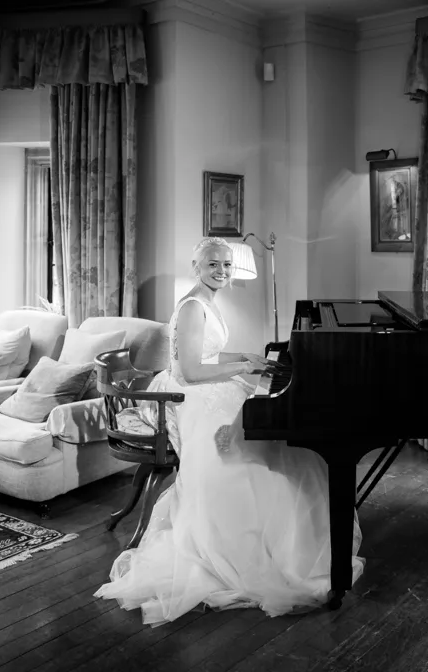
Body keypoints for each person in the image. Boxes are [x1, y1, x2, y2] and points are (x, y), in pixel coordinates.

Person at [94, 236, 365, 625]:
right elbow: (189, 371)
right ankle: (254, 551)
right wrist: (242, 370)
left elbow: (205, 354)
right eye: (212, 265)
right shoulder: (192, 307)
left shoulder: (206, 301)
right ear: (197, 268)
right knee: (247, 456)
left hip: (201, 387)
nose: (221, 271)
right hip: (186, 397)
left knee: (275, 442)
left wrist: (243, 356)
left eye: (226, 265)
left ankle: (283, 543)